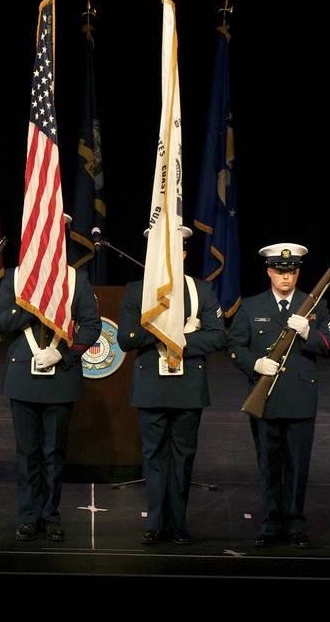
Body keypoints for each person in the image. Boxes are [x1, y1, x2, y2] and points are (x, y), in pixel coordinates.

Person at [227, 243, 330, 549]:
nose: (286, 277)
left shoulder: (315, 305)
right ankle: (271, 521)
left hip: (300, 397)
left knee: (297, 464)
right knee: (269, 463)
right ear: (269, 272)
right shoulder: (250, 306)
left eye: (291, 271)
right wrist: (254, 364)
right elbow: (235, 346)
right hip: (265, 397)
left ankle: (294, 523)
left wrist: (309, 333)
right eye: (279, 271)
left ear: (298, 272)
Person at [0, 219, 102, 542]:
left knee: (53, 453)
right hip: (23, 375)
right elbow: (1, 321)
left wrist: (65, 355)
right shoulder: (15, 278)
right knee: (27, 452)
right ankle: (28, 516)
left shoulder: (75, 279)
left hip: (60, 375)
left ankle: (50, 515)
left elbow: (91, 325)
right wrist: (34, 303)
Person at [118, 227, 225, 545]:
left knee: (182, 457)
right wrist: (163, 330)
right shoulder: (137, 291)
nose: (167, 258)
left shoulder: (202, 290)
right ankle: (154, 523)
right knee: (152, 456)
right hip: (152, 384)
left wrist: (181, 338)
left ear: (183, 255)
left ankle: (178, 523)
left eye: (173, 252)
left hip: (188, 385)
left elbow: (218, 336)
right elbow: (126, 338)